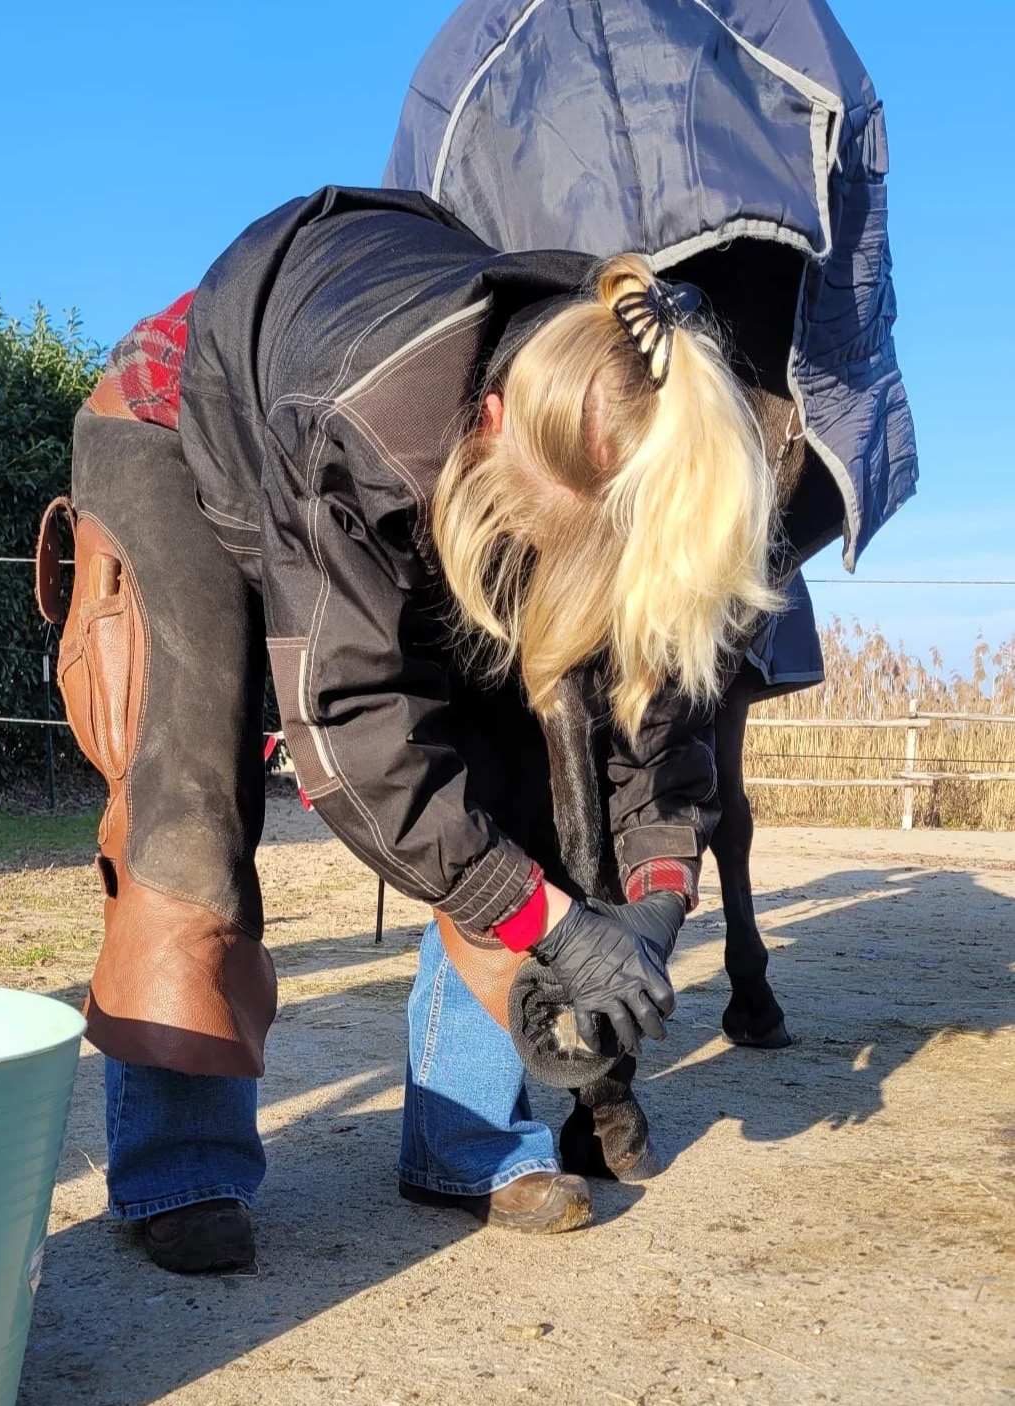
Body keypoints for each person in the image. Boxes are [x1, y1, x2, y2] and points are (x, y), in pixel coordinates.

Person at [38, 186, 779, 1269]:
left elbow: (644, 706)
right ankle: (179, 1164)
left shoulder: (621, 421)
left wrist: (655, 904)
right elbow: (355, 734)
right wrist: (558, 930)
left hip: (404, 462)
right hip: (180, 439)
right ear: (489, 436)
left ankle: (471, 1139)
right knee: (187, 787)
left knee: (515, 776)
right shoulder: (366, 423)